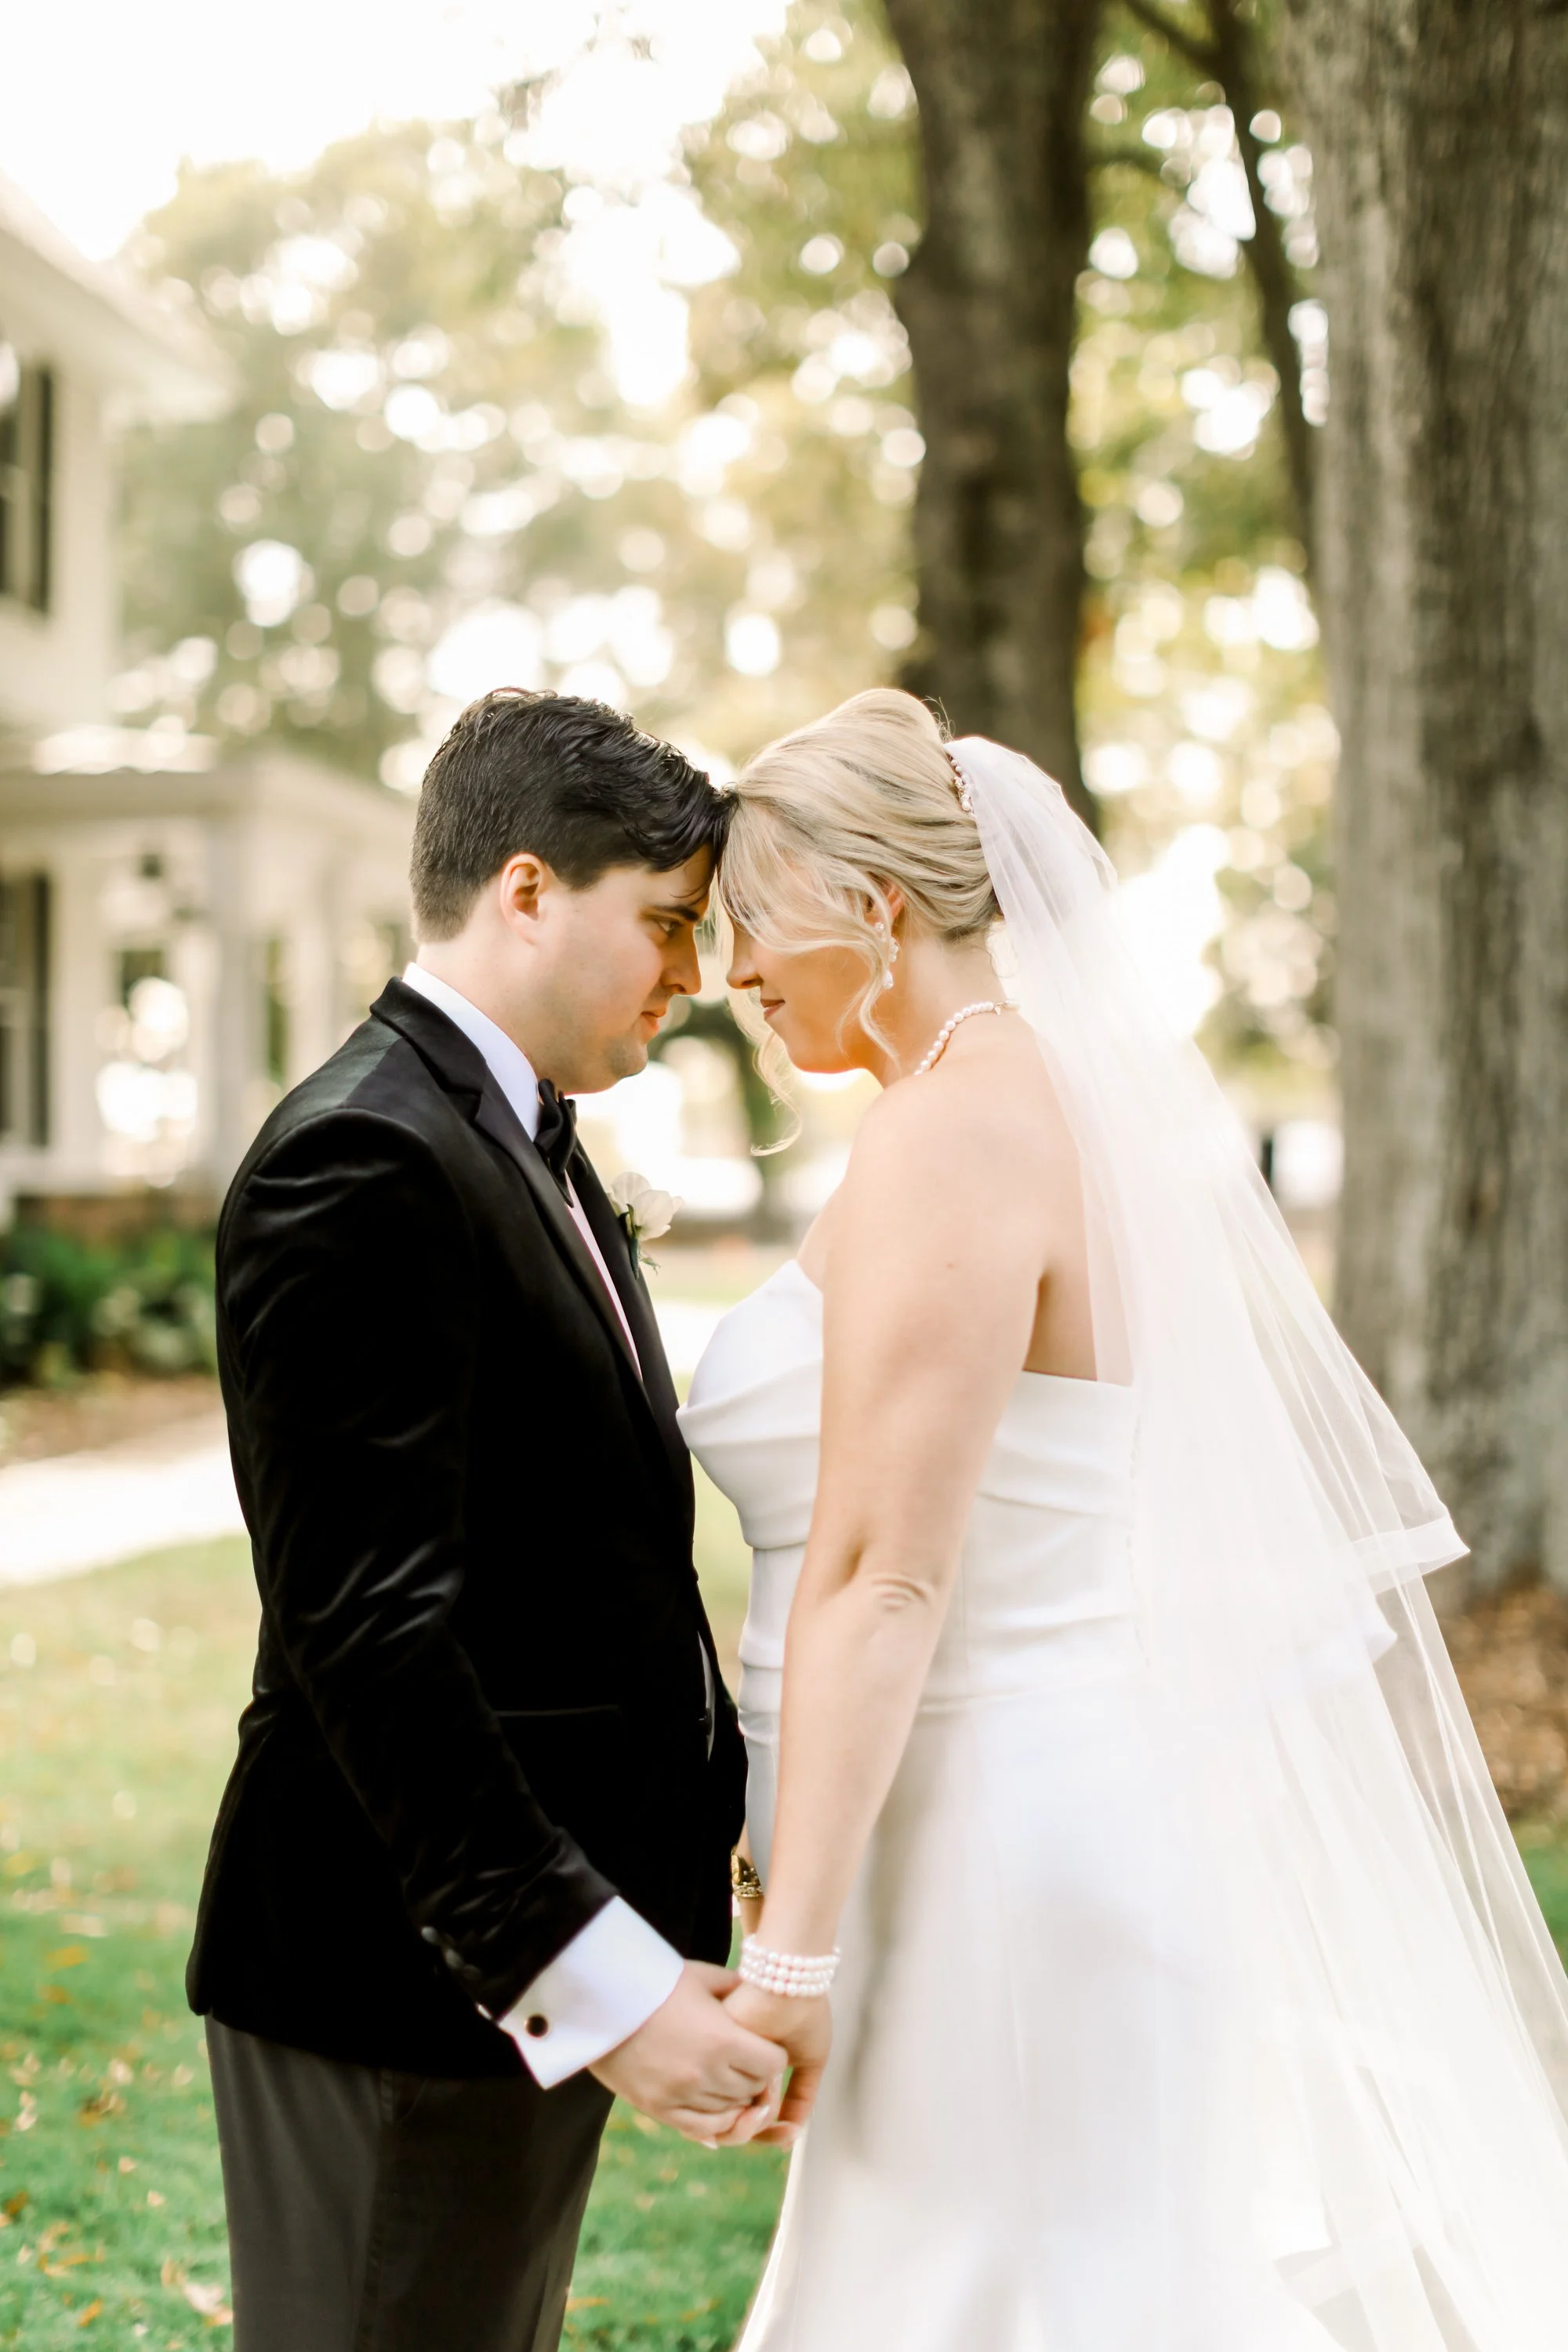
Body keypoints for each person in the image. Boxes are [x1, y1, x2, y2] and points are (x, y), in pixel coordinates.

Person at [679, 687, 1568, 2350]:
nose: (731, 973)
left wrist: (789, 1963)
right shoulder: (1022, 1107)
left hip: (998, 1843)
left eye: (753, 922)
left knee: (1000, 2301)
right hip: (998, 1816)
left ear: (874, 912)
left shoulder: (954, 1134)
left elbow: (883, 1579)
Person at [187, 689, 785, 2352]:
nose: (693, 977)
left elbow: (583, 1571)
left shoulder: (521, 1144)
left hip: (509, 1965)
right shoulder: (363, 1161)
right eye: (665, 924)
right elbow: (368, 1637)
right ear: (527, 889)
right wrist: (592, 1981)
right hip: (402, 1973)